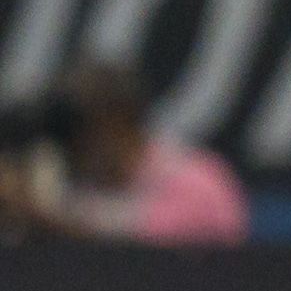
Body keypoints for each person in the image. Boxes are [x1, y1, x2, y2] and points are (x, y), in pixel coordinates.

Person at [0, 63, 248, 245]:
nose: (75, 152)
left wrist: (41, 215)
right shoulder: (69, 185)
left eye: (82, 134)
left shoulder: (197, 181)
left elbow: (140, 256)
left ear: (116, 121)